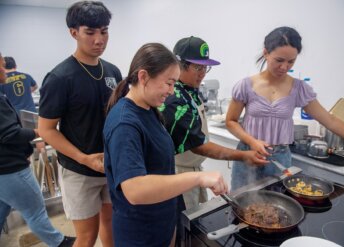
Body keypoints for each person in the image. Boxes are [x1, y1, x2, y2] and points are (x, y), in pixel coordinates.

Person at [103, 43, 228, 247]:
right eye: (169, 83)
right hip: (140, 233)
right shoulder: (124, 123)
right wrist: (197, 177)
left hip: (161, 223)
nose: (172, 91)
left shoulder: (149, 108)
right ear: (143, 77)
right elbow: (135, 190)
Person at [226, 26, 344, 190]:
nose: (285, 67)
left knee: (277, 208)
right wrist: (252, 141)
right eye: (279, 60)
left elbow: (330, 121)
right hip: (247, 155)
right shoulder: (246, 86)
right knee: (241, 203)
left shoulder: (299, 89)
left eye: (291, 61)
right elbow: (231, 121)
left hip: (279, 158)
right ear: (266, 53)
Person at [38, 1, 122, 246]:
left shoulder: (113, 72)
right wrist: (84, 158)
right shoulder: (60, 77)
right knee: (87, 236)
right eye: (90, 32)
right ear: (74, 32)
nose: (99, 39)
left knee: (111, 224)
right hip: (79, 171)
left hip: (110, 166)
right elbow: (46, 130)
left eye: (104, 31)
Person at [160, 36, 268, 209]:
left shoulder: (191, 91)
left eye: (205, 67)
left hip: (194, 170)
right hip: (179, 173)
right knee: (184, 226)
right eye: (197, 67)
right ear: (179, 65)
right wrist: (243, 155)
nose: (202, 72)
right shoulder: (175, 98)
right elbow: (198, 145)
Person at [0, 52, 75, 246]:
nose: (4, 70)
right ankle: (59, 243)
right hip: (10, 168)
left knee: (3, 207)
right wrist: (37, 132)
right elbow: (10, 134)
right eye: (1, 65)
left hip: (4, 169)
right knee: (35, 211)